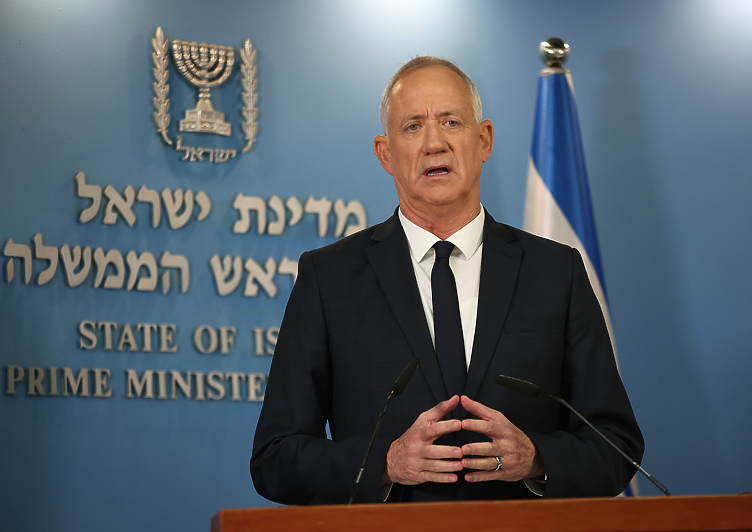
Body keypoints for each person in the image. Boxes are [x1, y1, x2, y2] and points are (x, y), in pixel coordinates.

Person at [250, 56, 644, 504]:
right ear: (385, 154)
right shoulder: (329, 278)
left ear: (483, 140)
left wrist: (536, 458)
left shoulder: (556, 271)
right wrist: (386, 462)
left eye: (451, 122)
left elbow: (617, 446)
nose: (434, 142)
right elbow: (274, 458)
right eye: (412, 126)